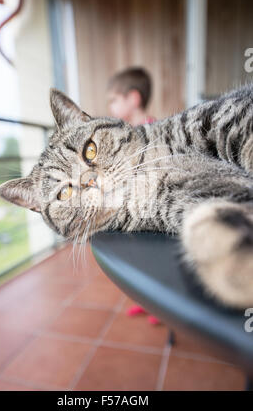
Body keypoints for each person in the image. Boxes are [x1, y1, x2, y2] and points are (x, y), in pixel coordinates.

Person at [107, 67, 161, 325]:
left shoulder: (152, 130)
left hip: (150, 206)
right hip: (131, 205)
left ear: (134, 98)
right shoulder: (124, 134)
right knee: (138, 259)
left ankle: (159, 307)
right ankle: (144, 301)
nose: (111, 106)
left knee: (153, 258)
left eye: (114, 99)